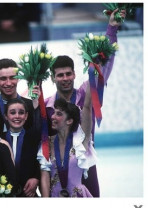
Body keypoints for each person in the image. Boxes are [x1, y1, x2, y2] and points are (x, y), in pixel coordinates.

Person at [43, 8, 126, 197]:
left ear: (74, 74)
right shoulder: (47, 106)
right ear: (52, 78)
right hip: (58, 168)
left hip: (85, 162)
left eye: (68, 74)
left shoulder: (84, 95)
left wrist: (112, 29)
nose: (65, 78)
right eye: (60, 75)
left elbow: (104, 67)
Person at [38, 82, 96, 197]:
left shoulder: (80, 141)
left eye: (58, 114)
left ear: (69, 121)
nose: (53, 116)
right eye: (54, 113)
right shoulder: (47, 144)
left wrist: (92, 71)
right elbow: (44, 176)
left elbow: (87, 106)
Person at [0, 58, 40, 139]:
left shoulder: (31, 105)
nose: (8, 83)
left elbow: (39, 134)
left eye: (12, 77)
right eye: (3, 79)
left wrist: (36, 106)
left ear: (18, 78)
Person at [4, 98, 41, 197]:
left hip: (27, 193)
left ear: (26, 116)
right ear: (6, 116)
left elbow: (42, 162)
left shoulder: (35, 138)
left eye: (21, 113)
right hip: (3, 193)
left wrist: (36, 178)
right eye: (12, 113)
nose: (17, 116)